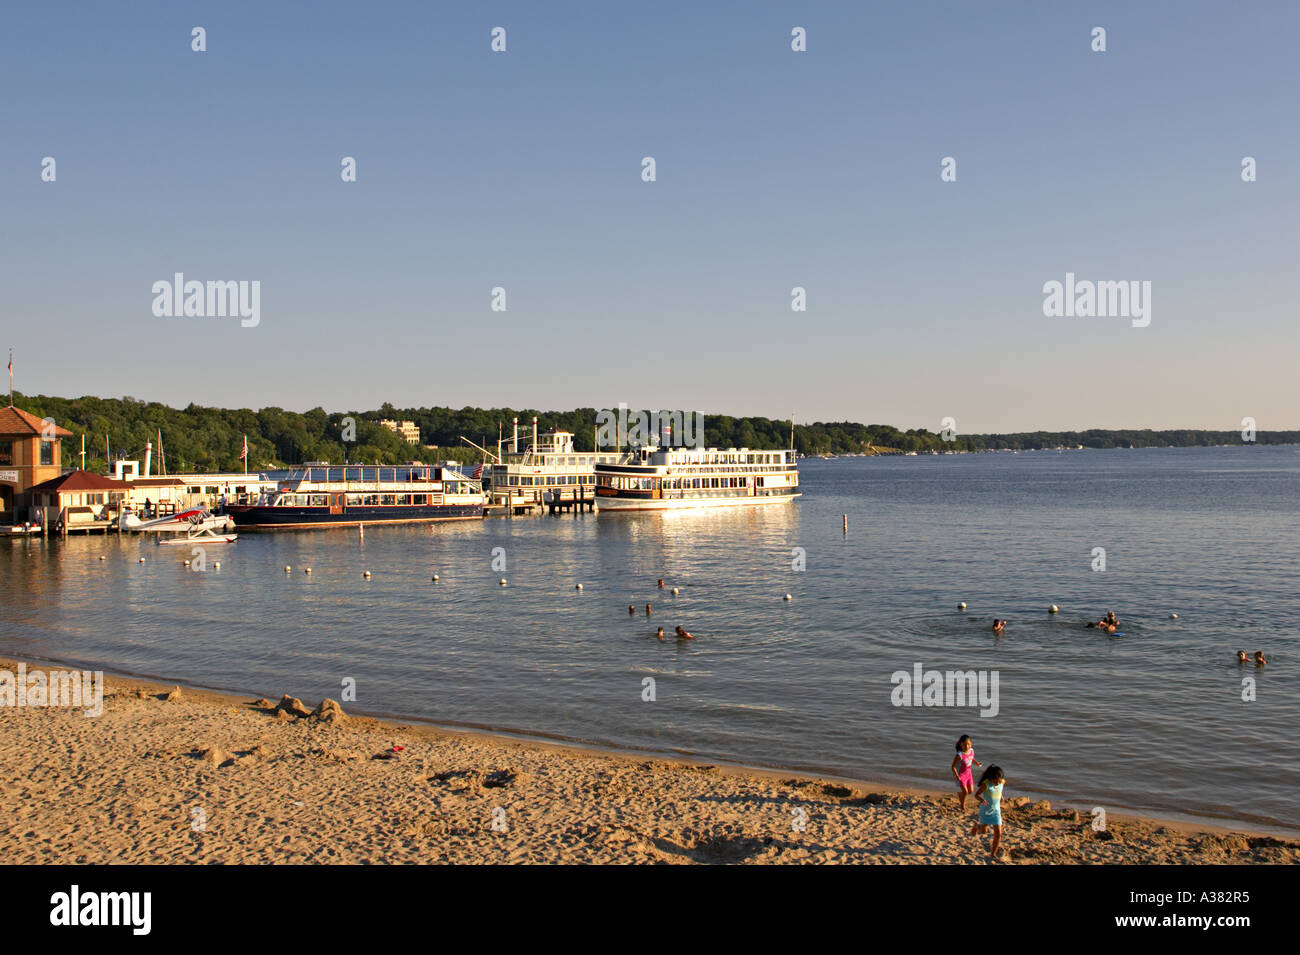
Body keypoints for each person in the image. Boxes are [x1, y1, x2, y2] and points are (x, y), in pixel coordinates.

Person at [970, 765, 1007, 858]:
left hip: (996, 812)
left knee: (998, 834)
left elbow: (1000, 790)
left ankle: (993, 853)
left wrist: (1001, 797)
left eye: (999, 781)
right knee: (983, 832)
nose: (997, 783)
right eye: (995, 781)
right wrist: (982, 800)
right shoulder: (986, 784)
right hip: (985, 811)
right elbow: (976, 795)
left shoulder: (1002, 782)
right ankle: (976, 827)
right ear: (991, 779)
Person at [951, 735, 982, 811]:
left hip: (969, 774)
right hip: (961, 775)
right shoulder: (959, 755)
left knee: (970, 791)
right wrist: (957, 776)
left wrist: (977, 763)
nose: (966, 746)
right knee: (965, 792)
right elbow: (953, 767)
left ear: (971, 744)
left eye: (968, 744)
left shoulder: (972, 751)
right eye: (964, 744)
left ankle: (960, 794)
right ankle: (962, 805)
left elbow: (971, 758)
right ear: (961, 744)